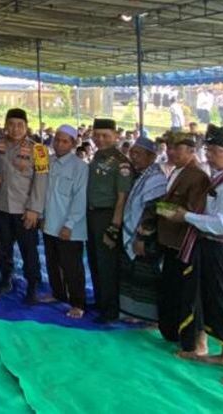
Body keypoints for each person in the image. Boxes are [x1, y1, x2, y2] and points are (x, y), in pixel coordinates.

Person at [158, 125, 223, 389]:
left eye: (214, 151)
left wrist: (185, 216)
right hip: (213, 246)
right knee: (211, 299)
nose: (209, 156)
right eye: (208, 150)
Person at [155, 132, 210, 357]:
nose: (171, 152)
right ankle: (172, 331)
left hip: (183, 243)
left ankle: (190, 340)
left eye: (177, 149)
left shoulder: (197, 176)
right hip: (168, 240)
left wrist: (162, 209)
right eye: (170, 147)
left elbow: (192, 212)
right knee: (169, 288)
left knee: (184, 292)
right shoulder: (178, 171)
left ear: (191, 151)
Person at [0, 108, 48, 303]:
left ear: (26, 126)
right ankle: (6, 279)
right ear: (6, 126)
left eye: (20, 125)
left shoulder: (38, 150)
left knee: (29, 250)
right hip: (1, 207)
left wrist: (34, 209)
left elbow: (41, 180)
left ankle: (32, 287)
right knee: (2, 247)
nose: (15, 129)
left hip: (25, 210)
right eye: (11, 124)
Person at [87, 117, 133, 323]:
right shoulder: (97, 155)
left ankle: (110, 310)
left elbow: (122, 197)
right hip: (92, 213)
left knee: (107, 264)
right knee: (95, 260)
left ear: (116, 136)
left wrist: (114, 227)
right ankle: (100, 301)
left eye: (105, 136)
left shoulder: (121, 162)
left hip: (107, 215)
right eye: (97, 135)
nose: (100, 139)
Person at [119, 137, 168, 322]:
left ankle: (146, 316)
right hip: (134, 233)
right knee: (130, 273)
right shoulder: (140, 174)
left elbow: (152, 210)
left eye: (138, 154)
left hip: (146, 237)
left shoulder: (156, 178)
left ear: (151, 156)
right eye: (132, 153)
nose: (134, 157)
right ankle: (132, 312)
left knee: (144, 276)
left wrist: (142, 237)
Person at [42, 125, 88, 318]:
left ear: (73, 143)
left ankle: (78, 303)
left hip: (70, 227)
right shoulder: (47, 163)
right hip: (49, 223)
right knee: (52, 262)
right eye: (57, 140)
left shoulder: (80, 167)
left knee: (72, 266)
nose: (60, 144)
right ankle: (58, 293)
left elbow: (80, 198)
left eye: (65, 141)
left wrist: (69, 224)